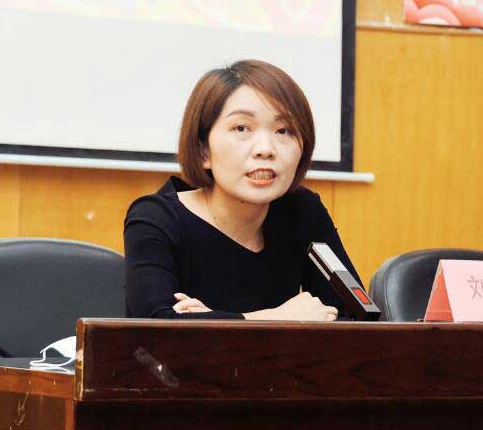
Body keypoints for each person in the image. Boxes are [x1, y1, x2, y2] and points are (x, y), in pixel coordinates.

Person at [124, 59, 360, 321]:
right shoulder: (156, 219)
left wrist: (211, 322)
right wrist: (277, 319)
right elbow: (154, 329)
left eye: (283, 130)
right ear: (203, 151)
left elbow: (360, 316)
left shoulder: (303, 211)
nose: (265, 149)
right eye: (241, 128)